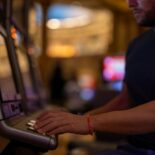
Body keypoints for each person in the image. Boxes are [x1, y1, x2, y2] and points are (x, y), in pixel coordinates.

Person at [35, 0, 155, 154]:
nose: (130, 4)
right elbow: (125, 101)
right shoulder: (137, 44)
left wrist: (88, 122)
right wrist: (71, 120)